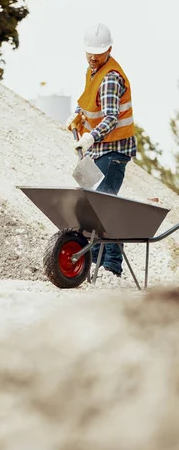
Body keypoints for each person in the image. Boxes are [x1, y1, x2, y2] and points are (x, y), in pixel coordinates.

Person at [66, 23, 137, 277]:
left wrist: (90, 137)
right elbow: (87, 100)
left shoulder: (110, 77)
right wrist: (77, 116)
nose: (93, 56)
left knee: (103, 206)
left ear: (109, 49)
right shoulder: (93, 70)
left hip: (115, 151)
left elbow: (111, 118)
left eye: (98, 52)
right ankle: (92, 262)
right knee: (93, 206)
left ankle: (110, 267)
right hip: (100, 151)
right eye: (90, 52)